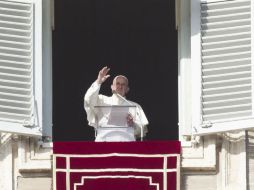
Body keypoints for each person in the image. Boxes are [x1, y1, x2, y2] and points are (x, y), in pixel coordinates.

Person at [84, 66, 149, 142]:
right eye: (117, 83)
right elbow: (88, 99)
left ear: (127, 89)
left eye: (123, 84)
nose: (120, 86)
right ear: (112, 87)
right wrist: (98, 81)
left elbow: (142, 130)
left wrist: (133, 124)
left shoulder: (135, 106)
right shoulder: (101, 100)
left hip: (127, 144)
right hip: (104, 142)